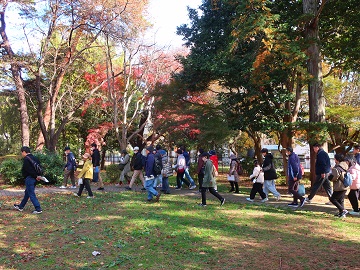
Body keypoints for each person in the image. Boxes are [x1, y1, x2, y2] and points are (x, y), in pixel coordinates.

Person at [14, 146, 43, 214]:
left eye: (22, 152)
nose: (22, 154)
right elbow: (40, 168)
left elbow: (28, 170)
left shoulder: (26, 159)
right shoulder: (34, 158)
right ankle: (21, 206)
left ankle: (38, 208)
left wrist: (35, 176)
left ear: (24, 152)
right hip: (35, 178)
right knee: (27, 193)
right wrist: (38, 176)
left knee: (31, 194)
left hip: (30, 178)